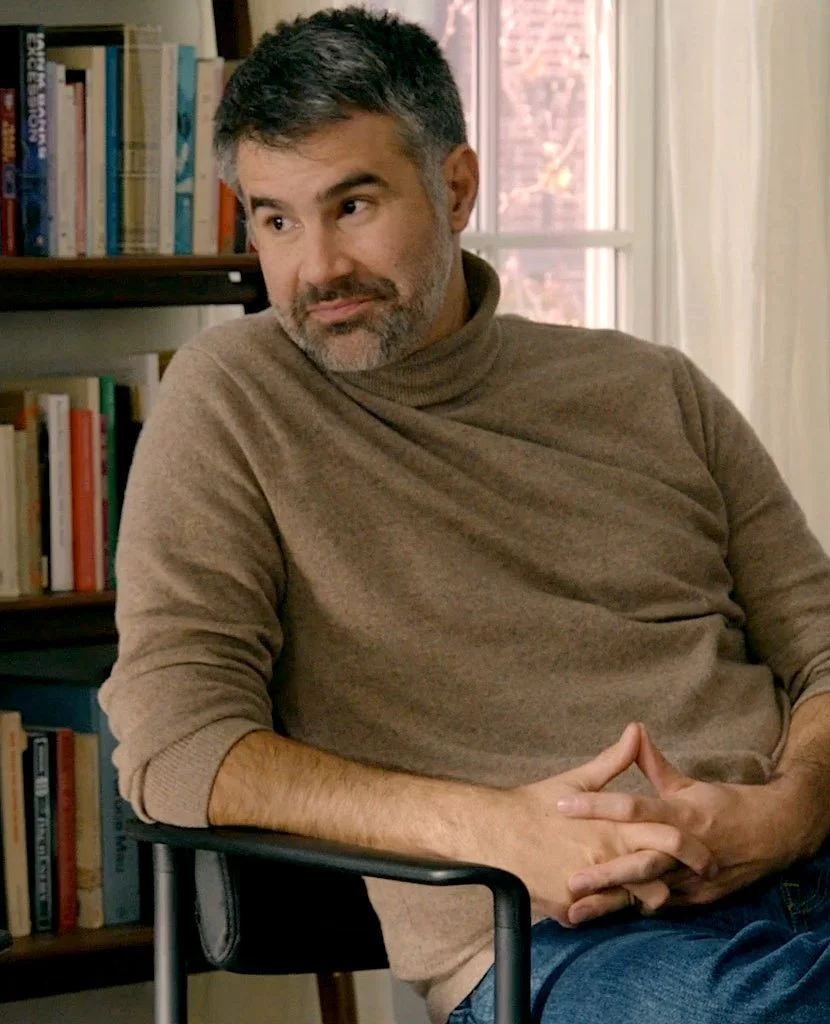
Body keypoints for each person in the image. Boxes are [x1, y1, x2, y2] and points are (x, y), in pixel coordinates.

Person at [100, 8, 828, 1024]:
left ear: (456, 187)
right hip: (564, 938)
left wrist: (793, 808)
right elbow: (175, 747)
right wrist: (499, 832)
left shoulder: (654, 389)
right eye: (276, 221)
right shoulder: (231, 400)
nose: (317, 268)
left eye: (353, 205)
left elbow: (821, 648)